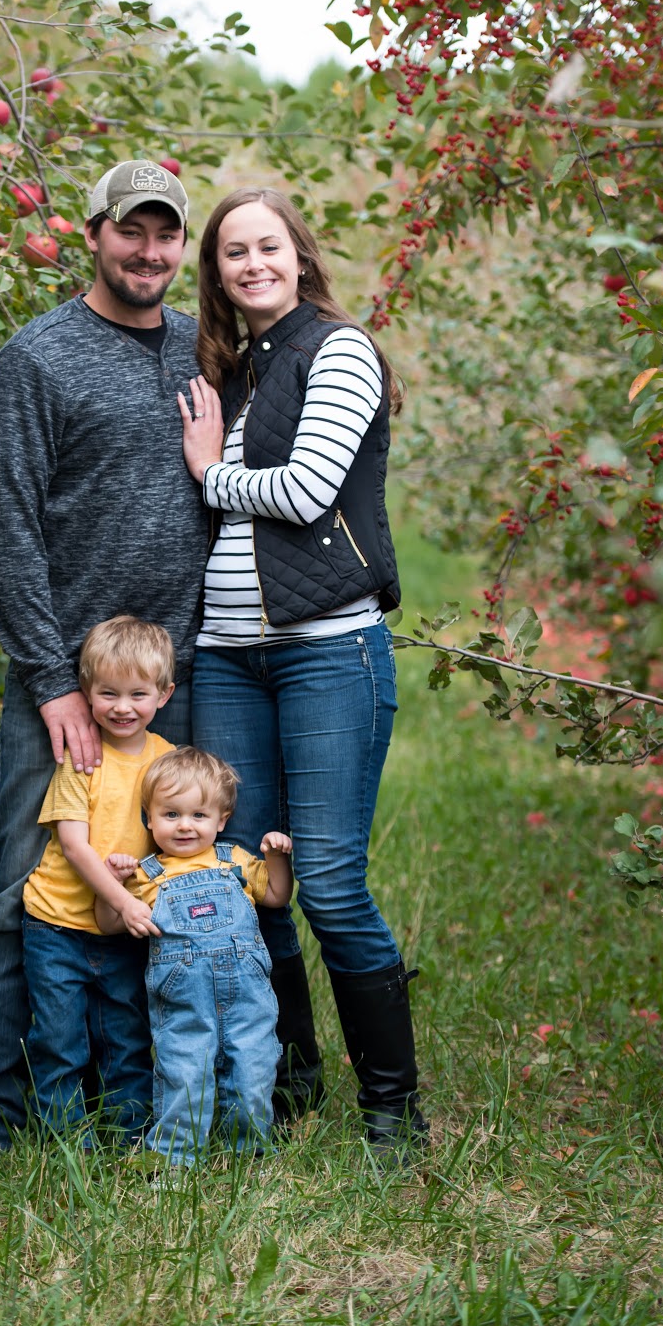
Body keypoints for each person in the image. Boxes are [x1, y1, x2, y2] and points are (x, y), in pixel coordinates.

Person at [0, 159, 209, 1177]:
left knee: (161, 878)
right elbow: (7, 525)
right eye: (130, 231)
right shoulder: (39, 357)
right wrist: (52, 678)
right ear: (92, 232)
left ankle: (130, 1097)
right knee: (24, 884)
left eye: (166, 235)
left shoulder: (198, 346)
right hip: (64, 687)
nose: (149, 252)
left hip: (171, 685)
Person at [178, 186, 430, 1159]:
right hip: (229, 660)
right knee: (251, 880)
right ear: (219, 273)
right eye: (233, 252)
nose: (251, 263)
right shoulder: (236, 371)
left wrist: (209, 472)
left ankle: (393, 1112)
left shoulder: (339, 349)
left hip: (328, 652)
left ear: (298, 254)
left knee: (325, 882)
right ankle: (290, 1079)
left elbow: (305, 490)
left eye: (266, 246)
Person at [95, 747, 292, 1167]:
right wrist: (110, 885)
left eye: (199, 816)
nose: (185, 826)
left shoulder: (236, 862)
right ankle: (175, 1158)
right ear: (149, 818)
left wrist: (276, 857)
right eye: (171, 815)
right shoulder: (148, 875)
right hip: (183, 1000)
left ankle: (251, 1153)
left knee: (253, 1069)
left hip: (248, 997)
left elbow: (276, 895)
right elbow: (111, 924)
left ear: (222, 820)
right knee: (183, 1071)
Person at [23, 617, 178, 1145]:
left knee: (126, 1038)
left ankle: (130, 1136)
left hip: (120, 931)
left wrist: (139, 885)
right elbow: (73, 845)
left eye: (138, 693)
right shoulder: (81, 759)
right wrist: (123, 899)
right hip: (57, 925)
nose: (122, 706)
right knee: (59, 1041)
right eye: (107, 693)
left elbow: (176, 839)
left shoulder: (167, 761)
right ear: (86, 692)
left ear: (165, 693)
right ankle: (67, 1144)